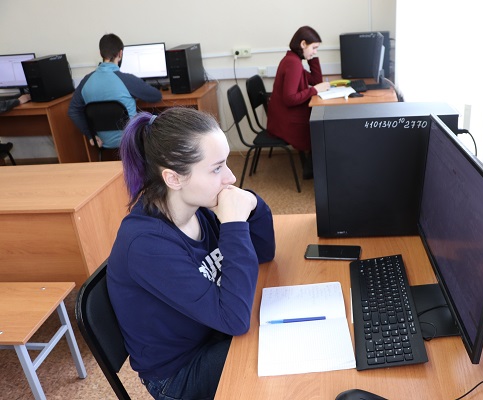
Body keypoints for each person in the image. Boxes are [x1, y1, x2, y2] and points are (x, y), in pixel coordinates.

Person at [107, 107, 275, 400]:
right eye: (216, 168)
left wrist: (252, 203)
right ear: (174, 178)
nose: (231, 177)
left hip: (213, 331)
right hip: (179, 374)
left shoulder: (198, 208)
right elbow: (235, 320)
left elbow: (264, 252)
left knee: (280, 335)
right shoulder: (147, 245)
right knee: (275, 352)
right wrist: (234, 225)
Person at [68, 33, 162, 150]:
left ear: (101, 53)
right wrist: (135, 95)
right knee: (155, 117)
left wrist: (91, 135)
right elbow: (156, 96)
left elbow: (73, 111)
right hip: (130, 141)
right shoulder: (127, 80)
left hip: (102, 142)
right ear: (120, 53)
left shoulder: (85, 81)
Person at [267, 26, 330, 179]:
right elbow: (290, 99)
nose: (315, 51)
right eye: (314, 48)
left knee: (322, 125)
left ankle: (312, 167)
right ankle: (312, 171)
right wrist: (315, 90)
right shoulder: (293, 63)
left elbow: (315, 80)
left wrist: (312, 58)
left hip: (281, 118)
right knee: (323, 130)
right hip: (287, 123)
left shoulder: (293, 59)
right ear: (303, 44)